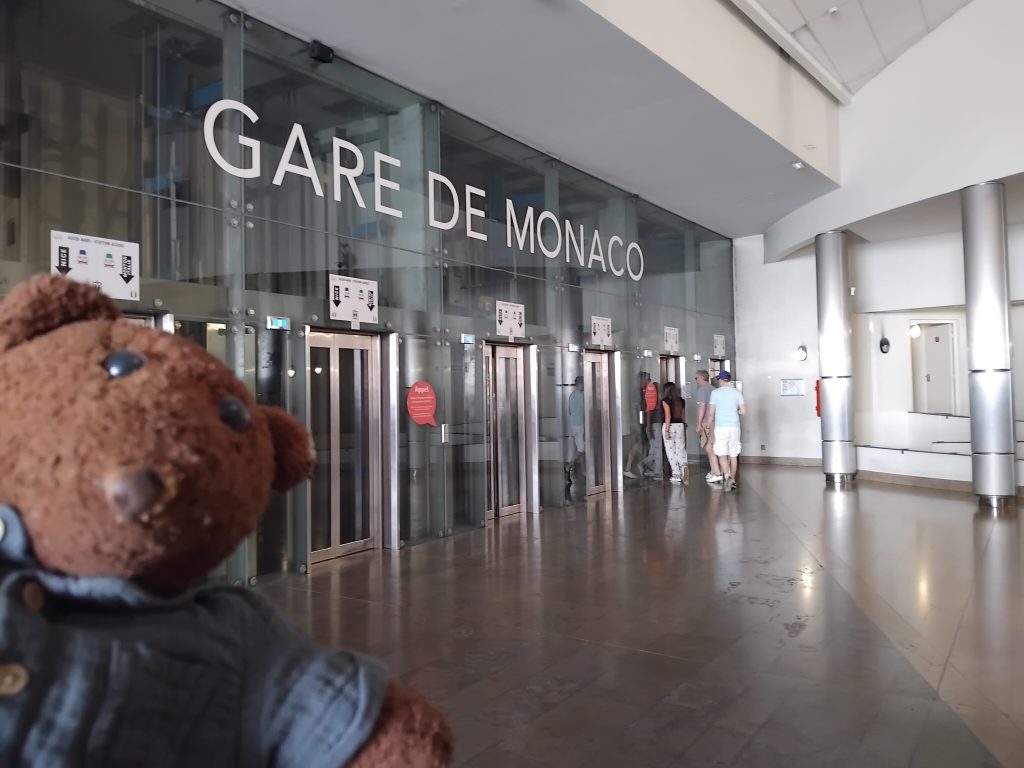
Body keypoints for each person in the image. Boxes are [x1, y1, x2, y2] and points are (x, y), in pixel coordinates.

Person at [704, 370, 745, 491]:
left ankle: (727, 477)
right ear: (729, 380)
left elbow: (711, 413)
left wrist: (708, 426)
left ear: (721, 380)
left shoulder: (715, 393)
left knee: (722, 453)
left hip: (721, 426)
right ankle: (732, 479)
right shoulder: (737, 393)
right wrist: (735, 411)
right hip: (735, 426)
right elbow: (743, 411)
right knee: (733, 454)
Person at [695, 370, 723, 483]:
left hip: (707, 422)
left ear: (702, 378)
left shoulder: (702, 390)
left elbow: (702, 408)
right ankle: (713, 470)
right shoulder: (714, 390)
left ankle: (717, 472)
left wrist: (699, 423)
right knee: (714, 446)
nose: (696, 380)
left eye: (696, 378)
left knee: (708, 446)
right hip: (717, 421)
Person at [624, 371, 652, 479]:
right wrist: (637, 424)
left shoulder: (643, 391)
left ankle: (644, 466)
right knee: (636, 445)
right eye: (647, 379)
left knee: (645, 444)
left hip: (642, 422)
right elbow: (634, 409)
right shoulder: (637, 392)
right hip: (638, 423)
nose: (648, 381)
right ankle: (628, 468)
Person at [660, 381, 687, 484]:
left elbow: (668, 416)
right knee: (681, 449)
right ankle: (685, 471)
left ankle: (676, 474)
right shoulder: (681, 400)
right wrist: (684, 424)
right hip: (680, 425)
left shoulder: (665, 400)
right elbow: (682, 414)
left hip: (670, 425)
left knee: (670, 451)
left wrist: (667, 430)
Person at [565, 375, 585, 481]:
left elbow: (569, 410)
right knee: (581, 449)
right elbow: (584, 410)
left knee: (580, 446)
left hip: (573, 424)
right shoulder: (581, 396)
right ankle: (569, 466)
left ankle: (582, 470)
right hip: (580, 424)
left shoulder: (572, 395)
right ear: (580, 384)